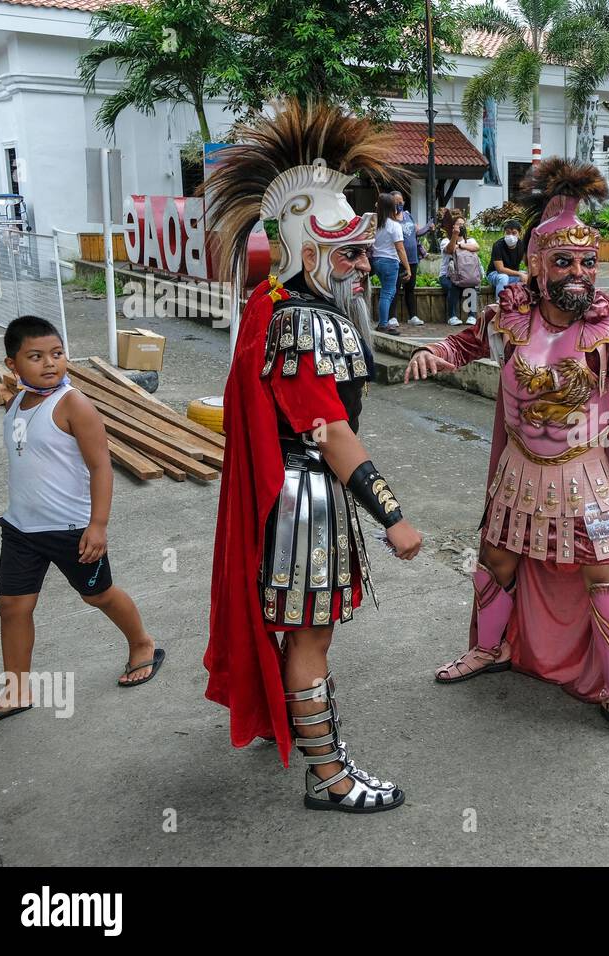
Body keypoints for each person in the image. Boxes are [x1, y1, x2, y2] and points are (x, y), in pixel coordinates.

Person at [404, 158, 609, 749]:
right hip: (518, 477)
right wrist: (434, 354)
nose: (579, 273)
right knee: (496, 563)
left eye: (587, 262)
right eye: (565, 261)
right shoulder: (508, 320)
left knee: (603, 577)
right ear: (536, 265)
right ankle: (487, 647)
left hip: (585, 479)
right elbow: (462, 342)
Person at [203, 100, 424, 813]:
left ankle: (297, 731)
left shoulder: (277, 302)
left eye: (362, 249)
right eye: (349, 252)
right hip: (307, 502)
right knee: (312, 632)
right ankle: (329, 777)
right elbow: (329, 431)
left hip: (298, 498)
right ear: (309, 253)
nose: (364, 263)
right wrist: (392, 514)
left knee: (300, 627)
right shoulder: (303, 321)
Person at [0, 316, 163, 732]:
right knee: (12, 607)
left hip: (73, 529)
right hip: (21, 530)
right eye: (35, 356)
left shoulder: (74, 404)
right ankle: (17, 688)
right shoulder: (15, 404)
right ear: (12, 363)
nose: (49, 364)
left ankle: (143, 643)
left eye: (57, 354)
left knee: (99, 596)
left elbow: (101, 467)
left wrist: (98, 525)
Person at [370, 192, 407, 335]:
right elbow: (400, 248)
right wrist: (408, 268)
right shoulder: (394, 225)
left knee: (386, 293)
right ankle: (383, 324)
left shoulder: (375, 224)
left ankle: (383, 322)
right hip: (390, 261)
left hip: (377, 261)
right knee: (387, 293)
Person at [391, 190, 427, 327]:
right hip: (397, 259)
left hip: (412, 258)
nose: (399, 204)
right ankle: (392, 317)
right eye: (396, 202)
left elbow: (415, 232)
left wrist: (427, 228)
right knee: (394, 288)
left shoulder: (408, 215)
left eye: (401, 202)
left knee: (410, 288)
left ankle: (412, 316)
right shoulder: (390, 219)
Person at [439, 216, 481, 327]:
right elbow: (450, 250)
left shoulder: (470, 240)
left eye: (463, 224)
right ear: (453, 226)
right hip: (447, 276)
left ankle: (472, 316)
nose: (461, 226)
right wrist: (454, 236)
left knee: (471, 286)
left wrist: (461, 245)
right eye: (458, 224)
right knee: (454, 286)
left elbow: (476, 247)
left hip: (466, 275)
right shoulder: (445, 241)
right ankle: (452, 316)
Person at [487, 217, 527, 297]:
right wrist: (519, 274)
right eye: (508, 233)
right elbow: (500, 269)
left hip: (513, 275)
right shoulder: (498, 245)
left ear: (519, 233)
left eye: (514, 233)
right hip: (495, 274)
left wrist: (526, 274)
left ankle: (522, 302)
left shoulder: (522, 245)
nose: (510, 236)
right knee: (503, 277)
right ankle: (500, 304)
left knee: (528, 276)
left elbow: (527, 262)